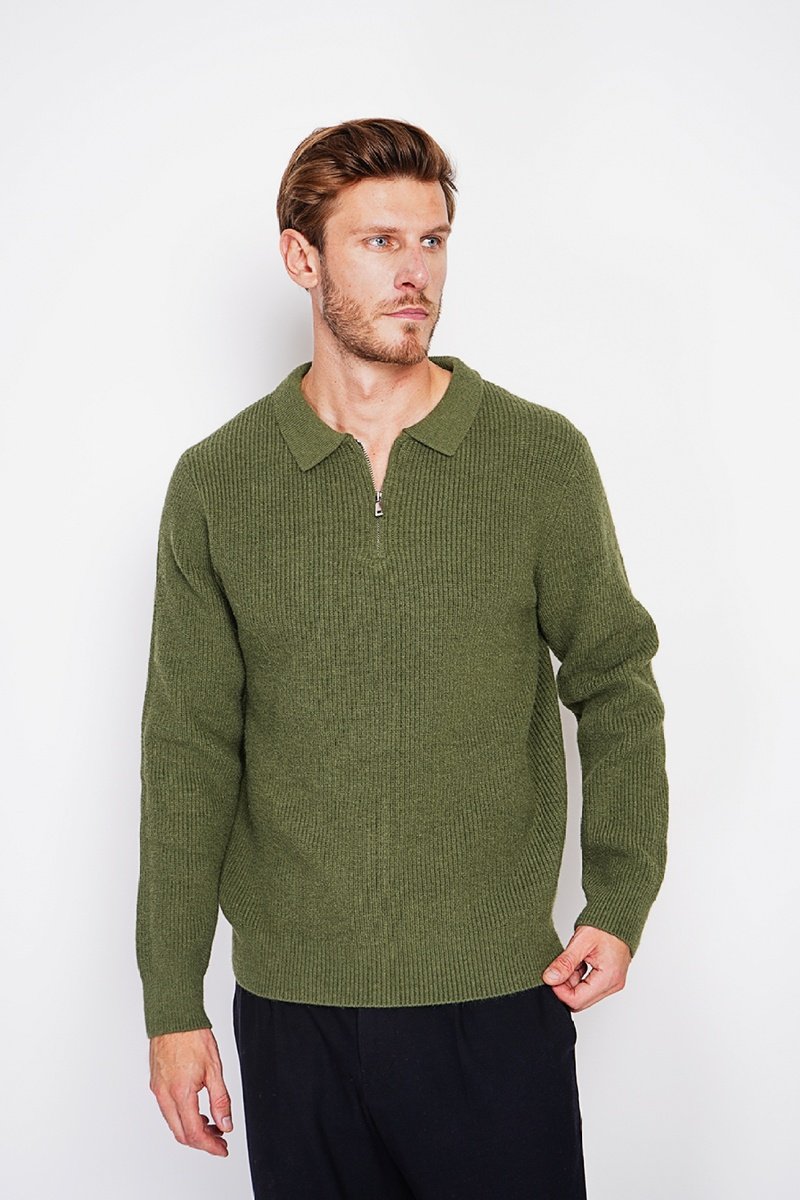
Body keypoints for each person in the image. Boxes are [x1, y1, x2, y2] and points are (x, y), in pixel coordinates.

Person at [136, 117, 669, 1199]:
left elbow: (616, 681)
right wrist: (171, 1004)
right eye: (379, 242)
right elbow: (187, 751)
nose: (414, 271)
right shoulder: (219, 483)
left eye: (431, 240)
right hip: (294, 1017)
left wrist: (618, 899)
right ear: (302, 258)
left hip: (498, 1000)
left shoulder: (537, 457)